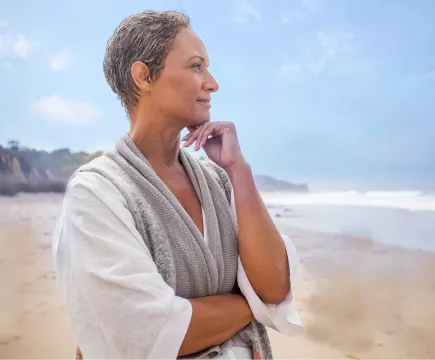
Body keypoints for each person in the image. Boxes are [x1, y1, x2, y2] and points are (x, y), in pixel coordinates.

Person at [52, 10, 303, 360]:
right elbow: (146, 331)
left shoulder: (218, 180)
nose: (212, 82)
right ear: (143, 76)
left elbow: (275, 288)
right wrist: (254, 305)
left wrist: (238, 169)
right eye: (196, 66)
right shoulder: (98, 191)